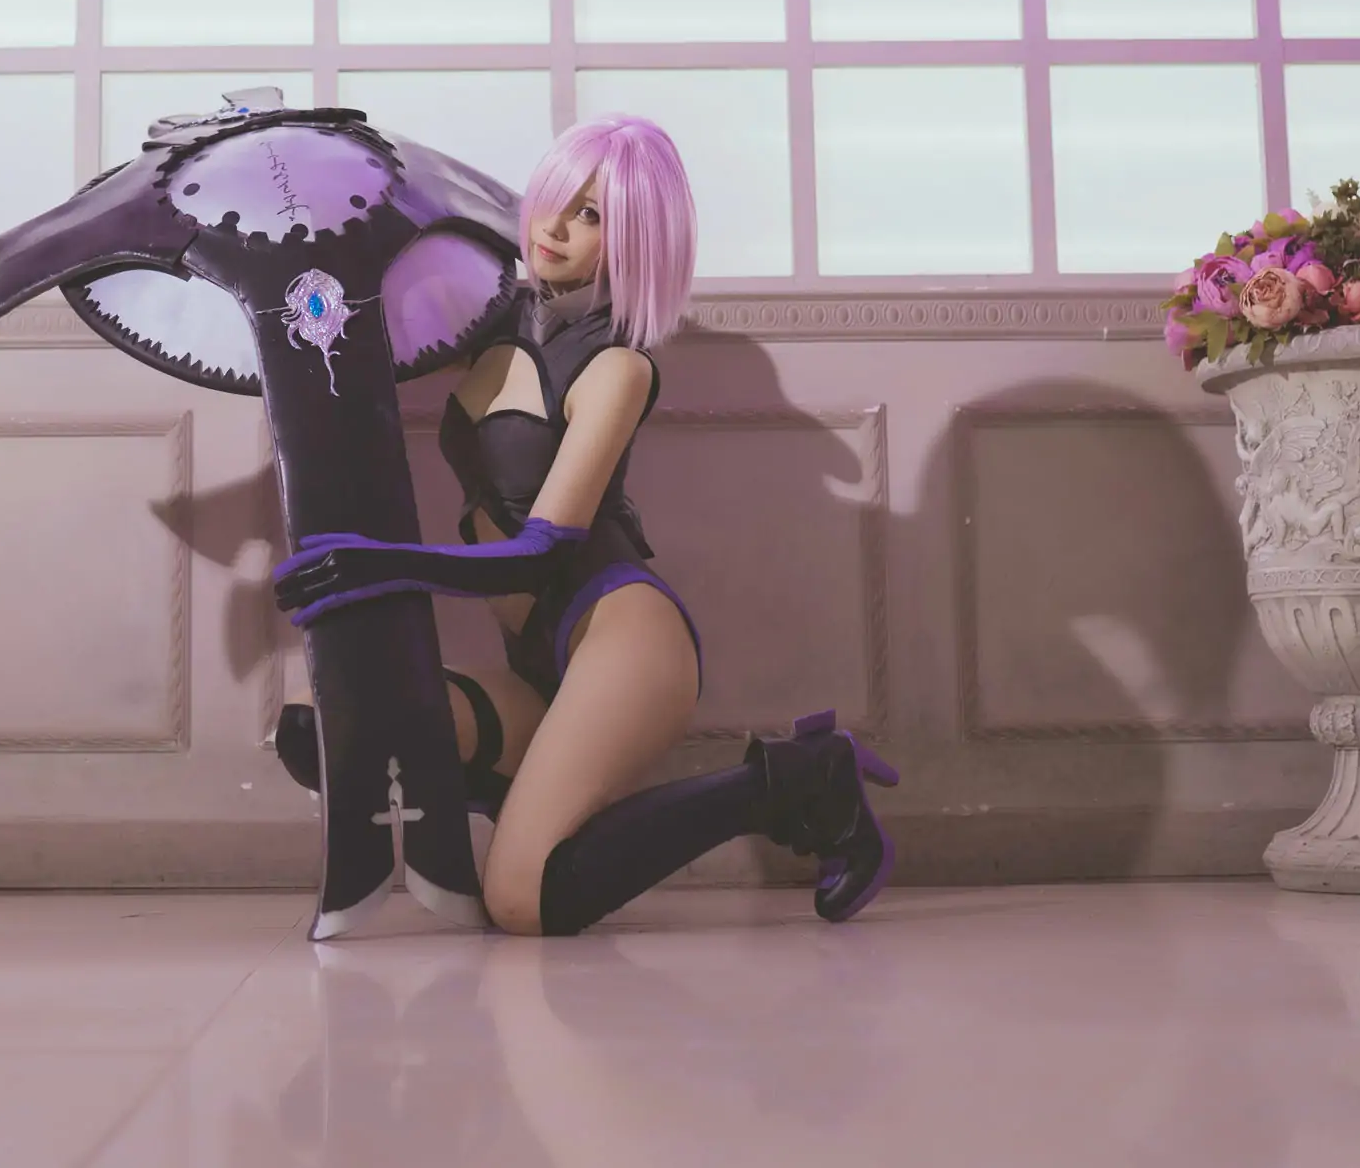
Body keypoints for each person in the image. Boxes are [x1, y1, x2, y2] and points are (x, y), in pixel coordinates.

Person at [271, 114, 897, 936]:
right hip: (536, 668)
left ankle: (794, 781)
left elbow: (539, 551)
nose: (556, 226)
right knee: (316, 727)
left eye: (592, 215)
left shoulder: (617, 366)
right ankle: (534, 818)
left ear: (634, 239)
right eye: (557, 198)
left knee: (523, 903)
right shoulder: (491, 321)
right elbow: (355, 338)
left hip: (623, 638)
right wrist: (298, 213)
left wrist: (383, 564)